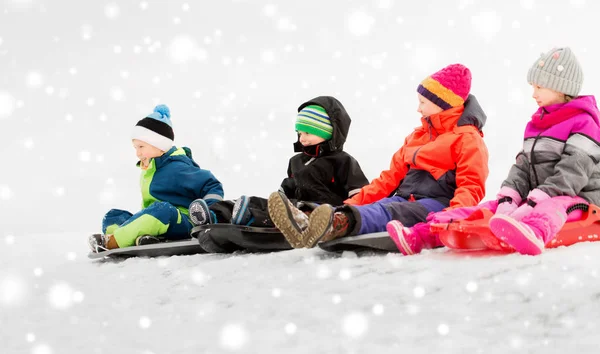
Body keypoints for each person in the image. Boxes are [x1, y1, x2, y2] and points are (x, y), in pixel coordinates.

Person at [390, 47, 600, 256]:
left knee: (554, 205)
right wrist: (510, 196)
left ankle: (535, 233)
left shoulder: (585, 123)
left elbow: (573, 172)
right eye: (533, 86)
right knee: (491, 207)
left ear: (561, 88)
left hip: (580, 198)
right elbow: (523, 165)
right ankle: (424, 235)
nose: (533, 94)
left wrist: (538, 199)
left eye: (539, 87)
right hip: (540, 196)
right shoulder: (538, 124)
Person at [269, 64, 489, 248]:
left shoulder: (467, 139)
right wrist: (350, 204)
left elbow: (471, 186)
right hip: (405, 199)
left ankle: (336, 224)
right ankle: (312, 221)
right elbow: (387, 180)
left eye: (423, 102)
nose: (418, 109)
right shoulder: (417, 137)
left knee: (388, 210)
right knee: (383, 205)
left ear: (443, 104)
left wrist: (450, 217)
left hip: (437, 205)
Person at [189, 96, 369, 248]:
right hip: (293, 205)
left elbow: (360, 195)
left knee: (267, 211)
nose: (302, 138)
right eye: (299, 133)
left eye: (308, 132)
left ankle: (249, 216)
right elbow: (288, 187)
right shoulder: (297, 161)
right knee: (259, 203)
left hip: (319, 211)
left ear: (329, 132)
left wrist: (345, 215)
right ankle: (216, 213)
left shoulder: (342, 161)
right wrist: (281, 198)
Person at [88, 104, 224, 252]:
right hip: (155, 219)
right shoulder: (150, 168)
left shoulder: (177, 167)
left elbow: (212, 184)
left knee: (162, 209)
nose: (137, 153)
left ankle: (112, 242)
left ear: (159, 145)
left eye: (141, 147)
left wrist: (209, 213)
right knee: (113, 215)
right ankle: (140, 237)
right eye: (135, 148)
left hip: (181, 221)